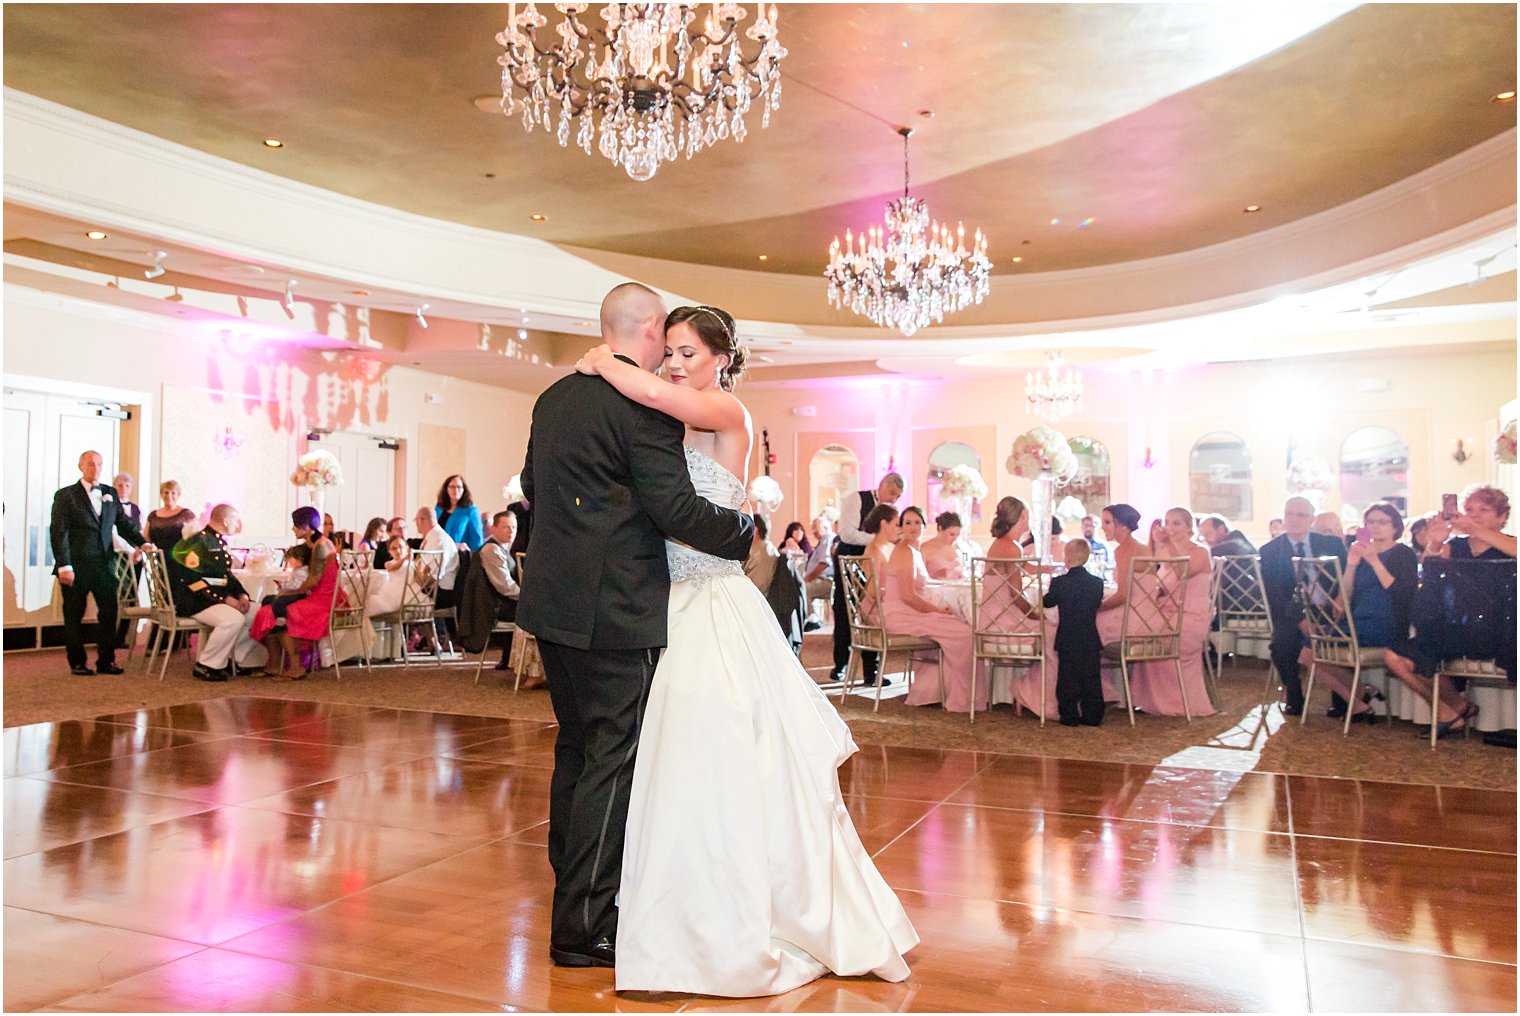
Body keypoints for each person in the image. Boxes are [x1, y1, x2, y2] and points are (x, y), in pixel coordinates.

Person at [571, 294, 915, 994]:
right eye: (668, 352)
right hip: (665, 601)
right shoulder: (666, 410)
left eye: (688, 353)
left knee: (719, 747)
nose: (673, 364)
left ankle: (741, 912)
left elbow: (638, 388)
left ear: (722, 359)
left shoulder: (727, 411)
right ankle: (677, 911)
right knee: (672, 755)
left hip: (712, 600)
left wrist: (604, 358)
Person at [516, 283, 754, 973]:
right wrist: (742, 535)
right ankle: (583, 926)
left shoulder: (553, 397)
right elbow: (676, 507)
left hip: (553, 607)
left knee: (577, 749)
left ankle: (571, 885)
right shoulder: (640, 406)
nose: (672, 359)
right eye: (668, 343)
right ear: (651, 328)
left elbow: (533, 483)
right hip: (615, 609)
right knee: (611, 763)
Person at [1386, 485, 1516, 735]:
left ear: (1501, 517)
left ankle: (1455, 711)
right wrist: (1435, 540)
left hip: (1500, 632)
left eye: (1484, 510)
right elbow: (1429, 564)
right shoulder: (1455, 546)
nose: (1474, 514)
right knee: (1395, 657)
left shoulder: (1509, 544)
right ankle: (1454, 708)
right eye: (1469, 509)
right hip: (1456, 629)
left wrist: (1473, 528)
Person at [1303, 503, 1417, 723]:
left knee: (1313, 646)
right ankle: (1357, 700)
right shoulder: (1360, 554)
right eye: (1371, 522)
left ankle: (1358, 698)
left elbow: (1400, 593)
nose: (1375, 527)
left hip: (1387, 622)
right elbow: (1344, 598)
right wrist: (1352, 565)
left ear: (1395, 527)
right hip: (1358, 620)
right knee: (1307, 652)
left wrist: (1374, 560)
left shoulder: (1403, 554)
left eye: (1382, 522)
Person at [880, 504, 984, 714]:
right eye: (908, 522)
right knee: (963, 633)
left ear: (924, 525)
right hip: (900, 614)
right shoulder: (904, 551)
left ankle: (933, 691)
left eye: (917, 522)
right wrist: (936, 611)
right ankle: (961, 697)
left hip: (908, 611)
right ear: (901, 526)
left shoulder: (913, 551)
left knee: (956, 625)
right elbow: (908, 596)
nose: (912, 527)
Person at [50, 450, 146, 675]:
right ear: (81, 466)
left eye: (99, 464)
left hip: (103, 565)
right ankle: (77, 662)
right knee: (74, 614)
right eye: (91, 464)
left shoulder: (109, 493)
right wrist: (64, 565)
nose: (96, 468)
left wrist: (143, 543)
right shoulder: (66, 496)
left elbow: (124, 524)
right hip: (75, 565)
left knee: (109, 611)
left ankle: (106, 660)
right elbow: (59, 532)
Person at [1259, 496, 1348, 717]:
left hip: (1330, 608)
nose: (1294, 520)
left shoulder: (1331, 544)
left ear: (1311, 519)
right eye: (1289, 514)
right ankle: (1294, 694)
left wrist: (1337, 604)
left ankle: (1343, 698)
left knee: (1340, 641)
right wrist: (1301, 620)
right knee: (1281, 645)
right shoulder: (1271, 550)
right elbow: (1275, 594)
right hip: (1291, 611)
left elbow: (1345, 579)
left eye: (1301, 515)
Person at [1126, 507, 1217, 716]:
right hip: (1166, 612)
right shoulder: (1165, 550)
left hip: (1191, 616)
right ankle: (1148, 701)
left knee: (1152, 636)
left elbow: (1182, 572)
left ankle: (1177, 704)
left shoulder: (1200, 551)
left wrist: (1166, 544)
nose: (1170, 527)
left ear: (1188, 527)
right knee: (1139, 631)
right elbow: (1154, 579)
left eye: (1176, 523)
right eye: (1167, 522)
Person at [167, 504, 263, 682]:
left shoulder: (217, 542)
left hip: (215, 599)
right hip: (197, 600)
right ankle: (206, 665)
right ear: (226, 520)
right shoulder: (197, 543)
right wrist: (226, 599)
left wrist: (242, 595)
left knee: (260, 613)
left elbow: (227, 577)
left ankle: (235, 659)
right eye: (236, 520)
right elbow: (193, 581)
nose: (238, 524)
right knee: (233, 619)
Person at [831, 471, 905, 685]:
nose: (893, 499)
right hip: (851, 558)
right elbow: (847, 534)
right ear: (882, 485)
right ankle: (840, 664)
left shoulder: (893, 513)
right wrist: (878, 538)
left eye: (898, 496)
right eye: (892, 492)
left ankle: (870, 671)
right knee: (845, 610)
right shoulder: (856, 499)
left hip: (877, 561)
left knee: (872, 611)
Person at [248, 507, 338, 680]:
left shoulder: (320, 546)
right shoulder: (314, 544)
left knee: (280, 607)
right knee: (269, 601)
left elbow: (313, 581)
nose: (293, 529)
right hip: (317, 593)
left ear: (305, 526)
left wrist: (288, 592)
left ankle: (295, 666)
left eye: (295, 525)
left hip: (323, 598)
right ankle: (274, 663)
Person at [1043, 540, 1105, 726]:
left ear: (1067, 558)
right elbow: (1096, 604)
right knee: (1091, 677)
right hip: (1089, 636)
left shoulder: (1061, 582)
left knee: (1067, 677)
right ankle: (1093, 715)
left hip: (1068, 636)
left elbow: (1048, 602)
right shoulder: (1097, 583)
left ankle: (1069, 715)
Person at [145, 479, 199, 554]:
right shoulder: (153, 515)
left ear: (178, 495)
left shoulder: (187, 514)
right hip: (158, 559)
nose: (169, 496)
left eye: (173, 493)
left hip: (180, 558)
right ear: (161, 494)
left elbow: (196, 538)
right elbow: (146, 538)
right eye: (166, 492)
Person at [436, 474, 485, 552]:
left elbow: (477, 539)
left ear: (463, 489)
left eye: (459, 487)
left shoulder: (471, 511)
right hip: (439, 553)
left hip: (460, 556)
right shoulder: (439, 508)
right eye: (452, 487)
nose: (455, 490)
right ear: (446, 489)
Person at [801, 515, 835, 623]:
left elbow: (824, 564)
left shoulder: (828, 538)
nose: (814, 531)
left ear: (825, 527)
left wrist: (807, 579)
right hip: (821, 579)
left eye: (816, 527)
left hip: (827, 580)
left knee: (803, 588)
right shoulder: (823, 540)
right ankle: (810, 618)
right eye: (813, 528)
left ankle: (812, 620)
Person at [920, 510, 966, 579]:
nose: (955, 538)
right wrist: (935, 575)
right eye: (951, 534)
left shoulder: (957, 548)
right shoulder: (925, 548)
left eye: (957, 535)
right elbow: (920, 577)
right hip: (935, 588)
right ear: (940, 528)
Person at [744, 512, 781, 594]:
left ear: (755, 528)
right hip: (766, 595)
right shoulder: (773, 549)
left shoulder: (750, 549)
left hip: (750, 593)